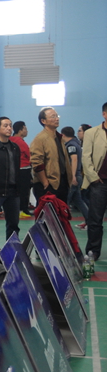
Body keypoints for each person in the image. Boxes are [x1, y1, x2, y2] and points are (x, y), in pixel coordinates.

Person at [30, 107, 72, 203]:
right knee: (48, 212)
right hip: (48, 184)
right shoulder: (40, 138)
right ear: (43, 121)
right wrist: (45, 182)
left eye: (57, 116)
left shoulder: (58, 137)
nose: (57, 119)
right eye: (53, 117)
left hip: (61, 182)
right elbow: (36, 162)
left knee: (61, 211)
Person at [81, 103, 107, 260]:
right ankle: (93, 250)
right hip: (99, 183)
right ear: (104, 114)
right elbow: (86, 157)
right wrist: (94, 178)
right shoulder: (92, 133)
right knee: (95, 220)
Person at [62, 126, 89, 227]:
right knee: (78, 200)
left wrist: (72, 176)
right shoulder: (76, 143)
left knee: (65, 201)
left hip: (74, 176)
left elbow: (74, 159)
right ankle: (89, 221)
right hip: (77, 175)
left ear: (63, 135)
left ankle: (62, 223)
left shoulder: (71, 145)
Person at [10, 120, 33, 217]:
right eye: (25, 129)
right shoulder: (20, 142)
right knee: (24, 191)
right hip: (24, 169)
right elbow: (29, 156)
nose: (27, 131)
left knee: (16, 190)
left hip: (13, 170)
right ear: (20, 131)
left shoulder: (10, 140)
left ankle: (17, 209)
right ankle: (23, 210)